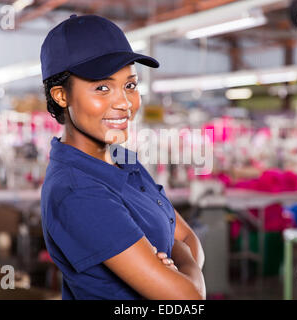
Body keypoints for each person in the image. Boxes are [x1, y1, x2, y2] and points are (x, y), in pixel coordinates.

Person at [40, 14, 205, 300]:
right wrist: (182, 259)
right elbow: (188, 299)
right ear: (61, 96)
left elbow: (190, 239)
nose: (124, 103)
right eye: (102, 88)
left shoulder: (122, 159)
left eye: (130, 85)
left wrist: (179, 256)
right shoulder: (77, 191)